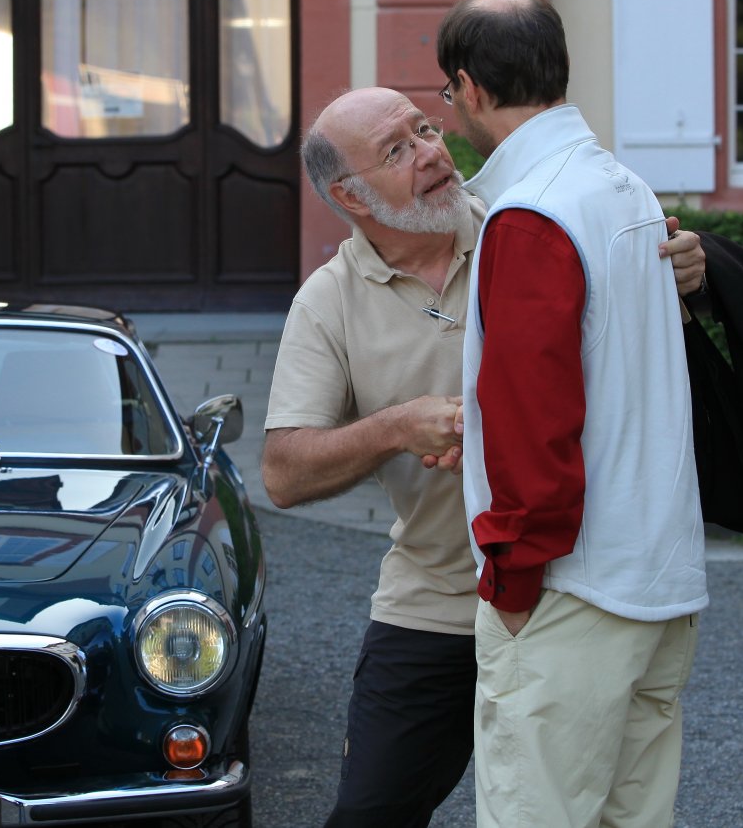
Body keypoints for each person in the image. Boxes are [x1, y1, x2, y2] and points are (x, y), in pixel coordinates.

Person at [262, 86, 706, 828]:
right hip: (434, 596)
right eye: (397, 150)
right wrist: (396, 427)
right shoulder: (327, 302)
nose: (432, 153)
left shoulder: (529, 220)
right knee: (369, 813)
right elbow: (282, 471)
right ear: (349, 195)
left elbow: (642, 337)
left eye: (425, 128)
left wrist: (682, 271)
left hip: (564, 585)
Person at [439, 0, 707, 828]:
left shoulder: (532, 213)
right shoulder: (626, 188)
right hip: (658, 574)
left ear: (470, 87)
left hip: (572, 588)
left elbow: (532, 416)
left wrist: (511, 577)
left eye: (449, 94)